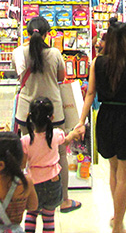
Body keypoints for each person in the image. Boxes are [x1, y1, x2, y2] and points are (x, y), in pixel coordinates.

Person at [76, 17, 126, 233]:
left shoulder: (97, 62)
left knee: (114, 170)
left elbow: (90, 94)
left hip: (105, 118)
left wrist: (81, 121)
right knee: (125, 176)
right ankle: (118, 226)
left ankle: (117, 216)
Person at [12, 16, 82, 214]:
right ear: (47, 34)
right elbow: (60, 77)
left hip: (27, 111)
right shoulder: (55, 53)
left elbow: (18, 76)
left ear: (27, 33)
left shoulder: (18, 53)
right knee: (60, 154)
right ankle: (63, 200)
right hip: (53, 111)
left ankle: (30, 199)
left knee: (28, 152)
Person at [22, 97, 84, 233]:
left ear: (29, 116)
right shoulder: (56, 134)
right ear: (52, 117)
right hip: (53, 181)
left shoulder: (25, 140)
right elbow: (65, 141)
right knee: (49, 217)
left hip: (33, 183)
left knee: (31, 213)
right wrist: (73, 134)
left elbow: (22, 163)